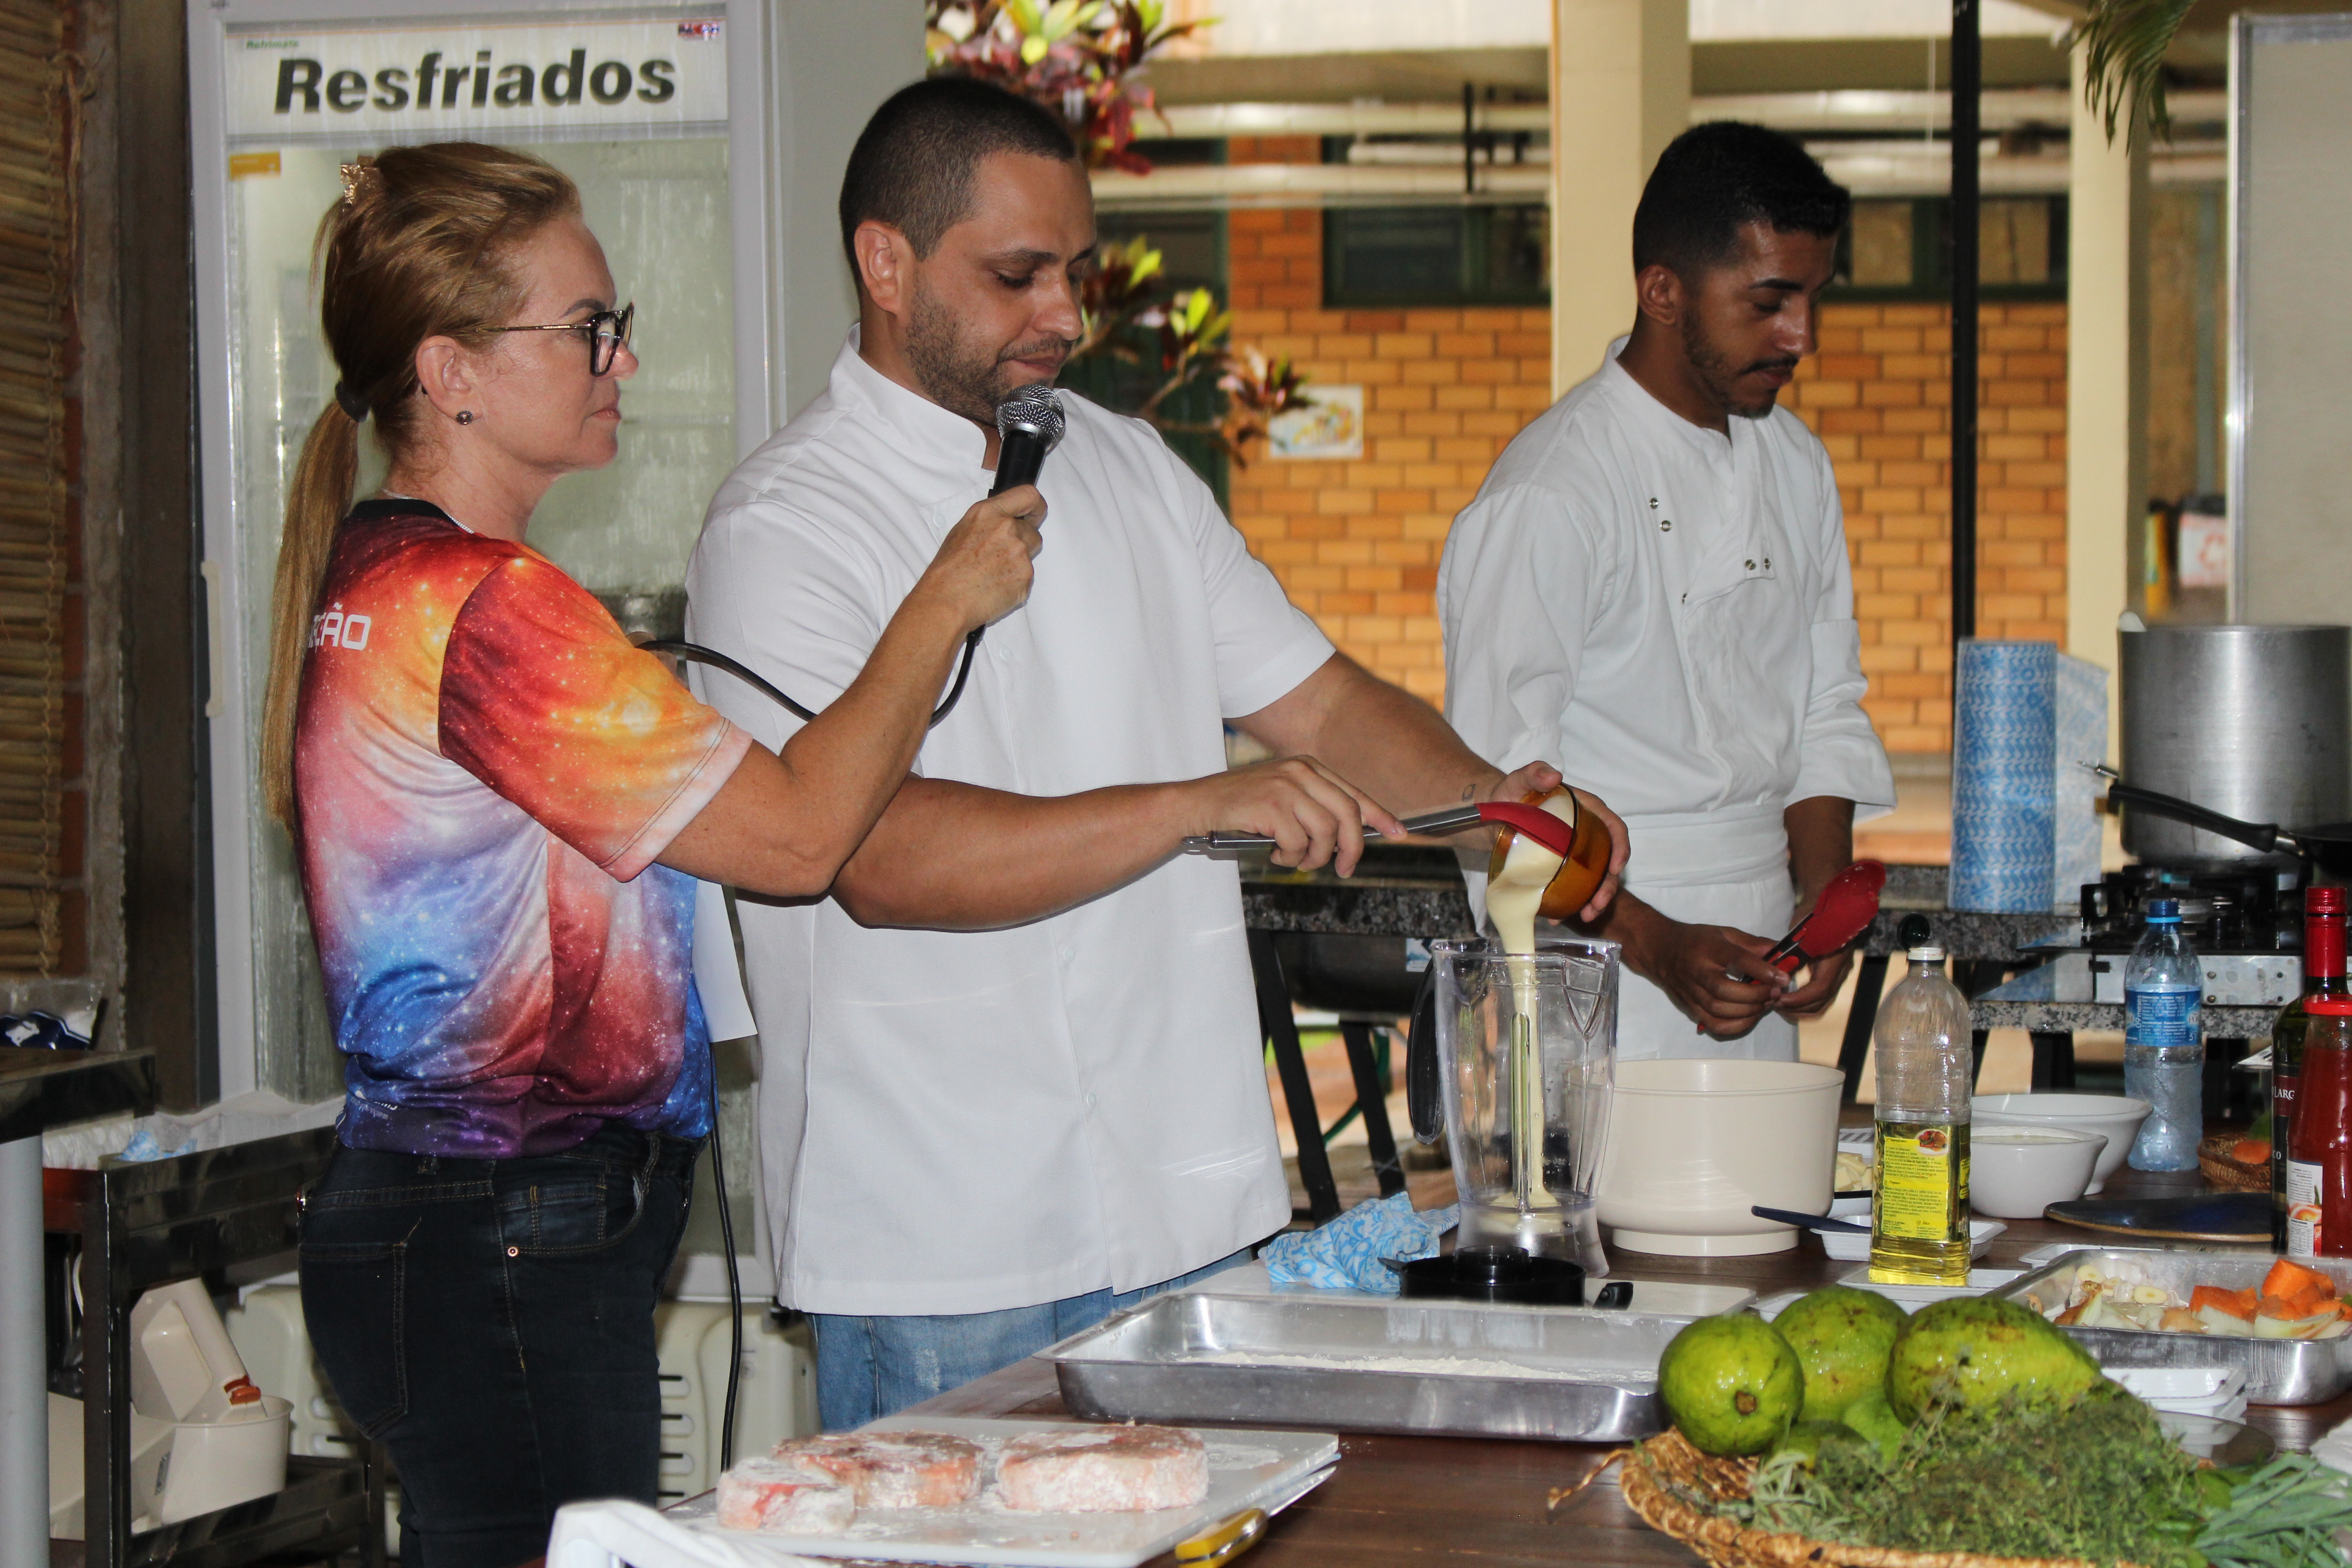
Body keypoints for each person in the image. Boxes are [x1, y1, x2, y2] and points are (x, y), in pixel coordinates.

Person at [684, 77, 1629, 1428]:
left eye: (1075, 273)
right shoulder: (783, 525)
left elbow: (1325, 704)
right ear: (884, 265)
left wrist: (1496, 807)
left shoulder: (1127, 470)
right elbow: (876, 860)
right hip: (946, 1241)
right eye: (1017, 276)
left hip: (1188, 1210)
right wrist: (1202, 803)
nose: (1065, 315)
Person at [273, 142, 1041, 1568]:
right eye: (586, 328)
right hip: (506, 1236)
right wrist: (942, 601)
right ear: (452, 372)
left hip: (455, 1228)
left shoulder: (384, 576)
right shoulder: (488, 607)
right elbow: (801, 840)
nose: (620, 358)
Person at [1439, 122, 1896, 1062]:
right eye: (1769, 301)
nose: (1802, 337)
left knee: (1764, 1166)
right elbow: (1502, 799)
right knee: (1601, 1166)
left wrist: (1820, 906)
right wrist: (1655, 946)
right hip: (1590, 968)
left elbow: (1825, 707)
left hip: (1761, 950)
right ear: (1662, 292)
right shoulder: (1554, 490)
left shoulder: (1796, 464)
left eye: (1814, 298)